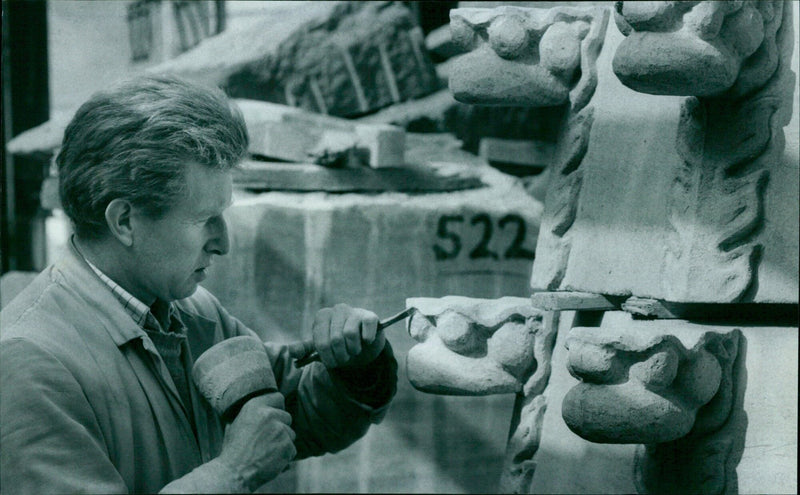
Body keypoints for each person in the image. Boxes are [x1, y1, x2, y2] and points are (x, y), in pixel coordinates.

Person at [0, 75, 397, 493]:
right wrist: (233, 473)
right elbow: (250, 451)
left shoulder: (192, 312)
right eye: (204, 219)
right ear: (124, 221)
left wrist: (359, 369)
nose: (224, 242)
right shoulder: (29, 364)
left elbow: (288, 416)